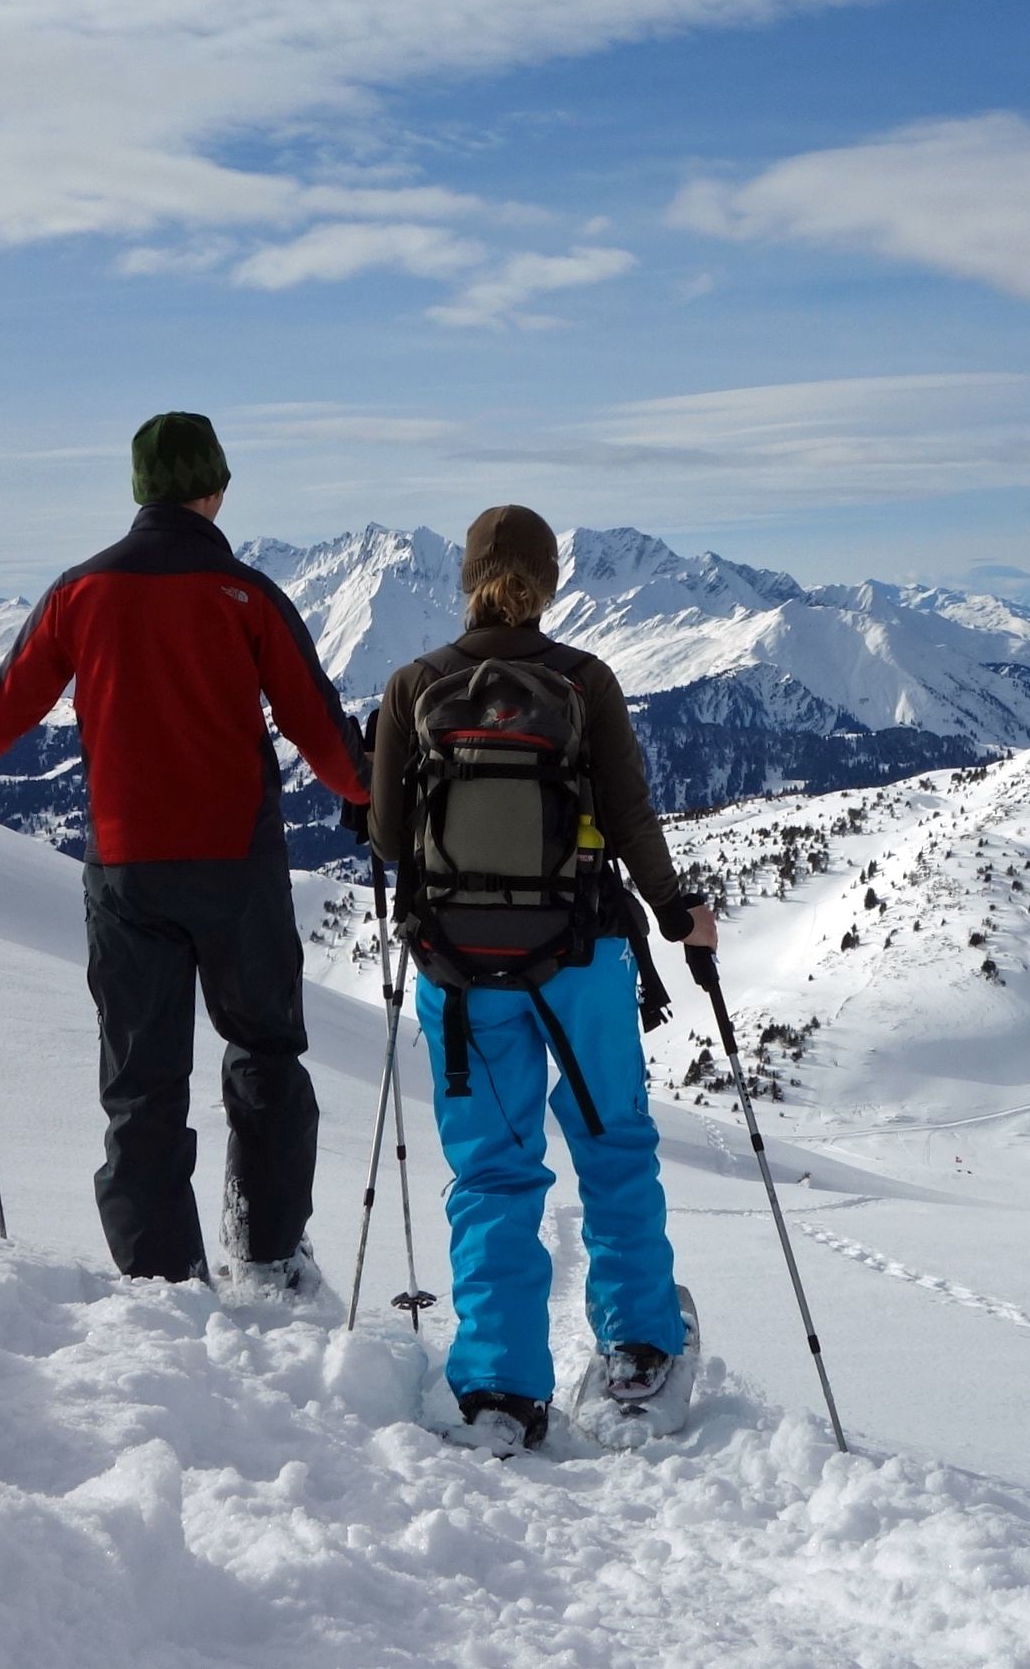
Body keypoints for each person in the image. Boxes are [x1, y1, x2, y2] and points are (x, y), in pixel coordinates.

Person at [0, 411, 369, 1293]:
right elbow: (332, 749)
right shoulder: (249, 595)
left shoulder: (81, 593)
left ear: (137, 491)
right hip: (238, 866)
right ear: (216, 488)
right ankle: (269, 1255)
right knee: (265, 1052)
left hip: (126, 872)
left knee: (142, 1082)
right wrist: (375, 790)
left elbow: (1, 711)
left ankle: (162, 1279)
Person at [369, 504, 716, 1452]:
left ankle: (496, 1385)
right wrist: (681, 911)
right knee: (612, 1146)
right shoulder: (584, 679)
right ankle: (640, 1346)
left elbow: (390, 837)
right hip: (580, 955)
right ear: (549, 580)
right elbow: (633, 816)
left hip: (460, 972)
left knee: (491, 1171)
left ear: (468, 576)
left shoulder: (413, 685)